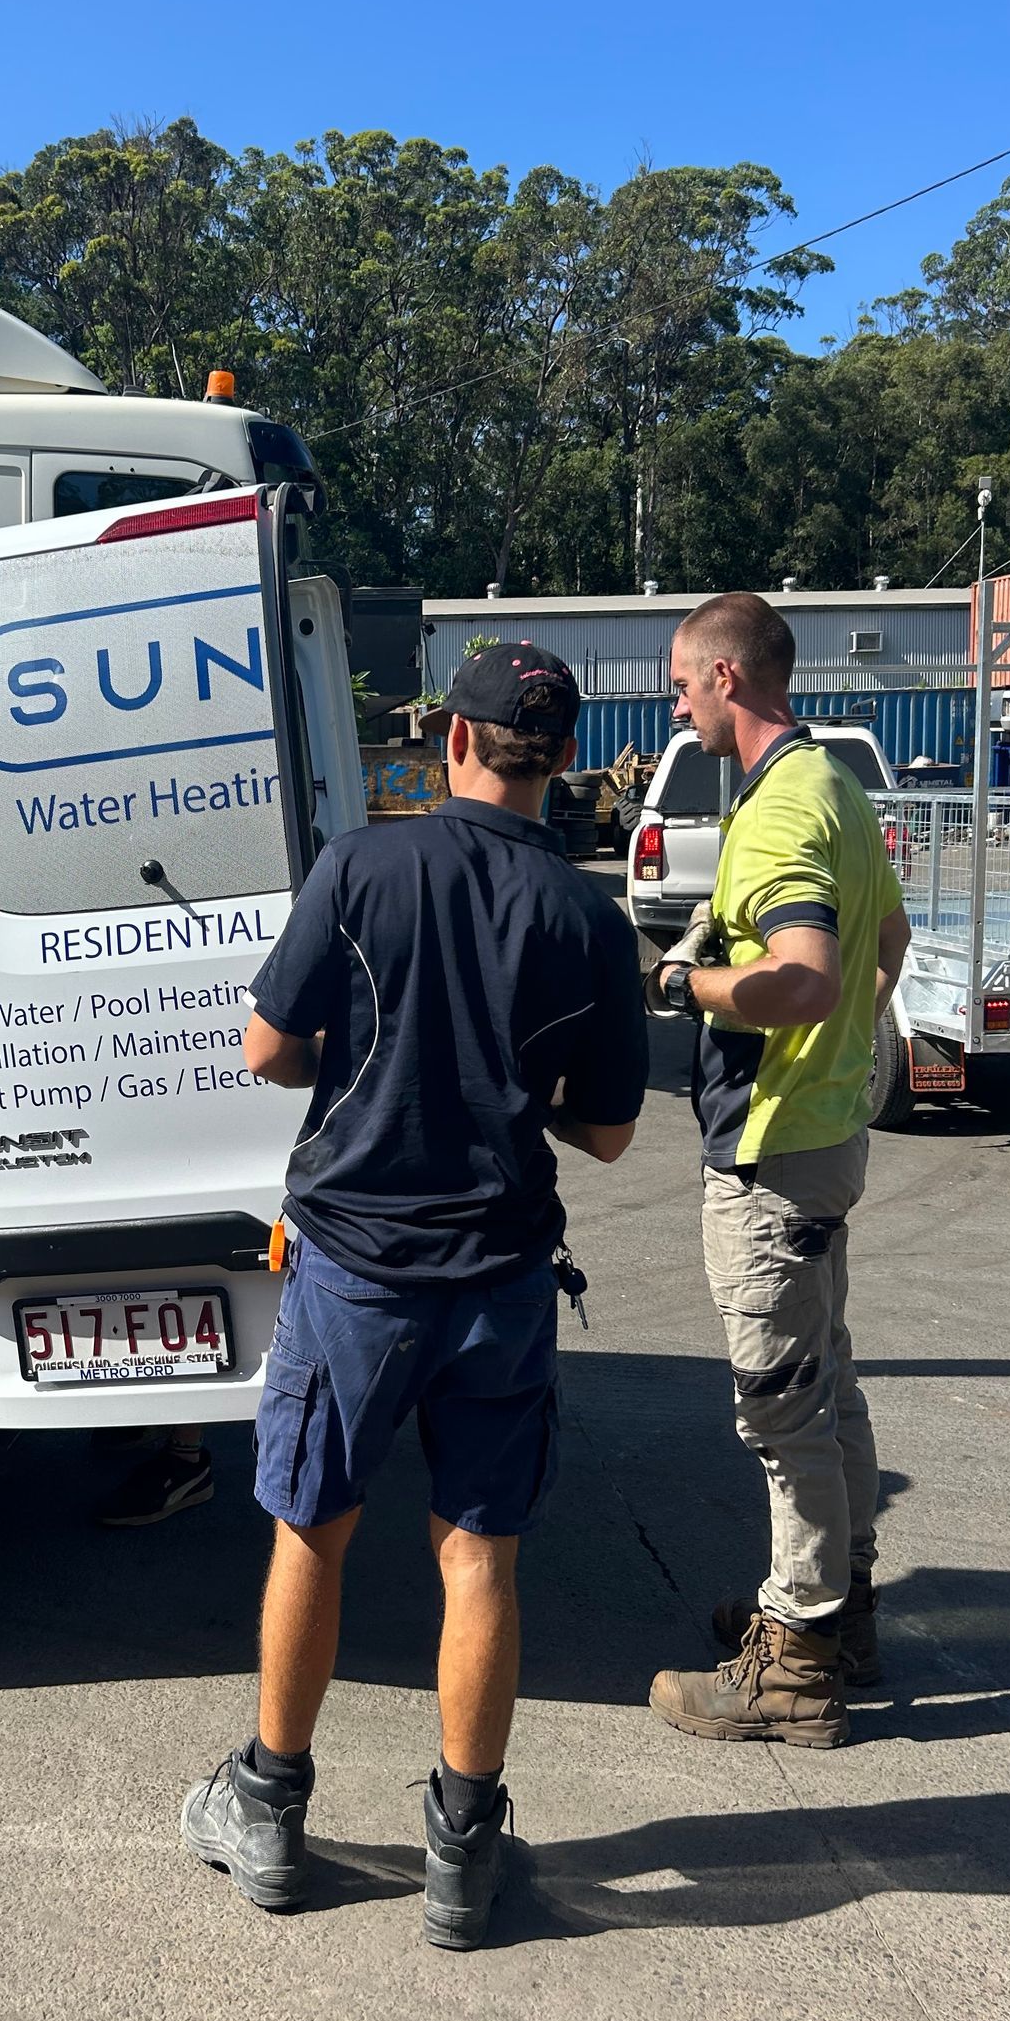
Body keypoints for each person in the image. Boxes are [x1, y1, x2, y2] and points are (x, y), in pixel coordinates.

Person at [180, 642, 648, 1949]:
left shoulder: (364, 866)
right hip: (499, 1278)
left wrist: (378, 1056)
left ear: (452, 738)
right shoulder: (588, 921)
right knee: (479, 1555)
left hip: (356, 1274)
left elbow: (269, 1048)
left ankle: (268, 1810)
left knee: (312, 1528)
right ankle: (463, 1852)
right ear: (558, 762)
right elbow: (608, 1132)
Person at [643, 593, 911, 1752]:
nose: (674, 699)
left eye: (681, 681)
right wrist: (844, 1051)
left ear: (728, 679)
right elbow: (885, 945)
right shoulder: (836, 791)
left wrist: (684, 987)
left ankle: (793, 1661)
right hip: (827, 1133)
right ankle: (838, 1611)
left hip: (772, 1150)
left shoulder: (778, 810)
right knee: (827, 1382)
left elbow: (802, 974)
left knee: (778, 1410)